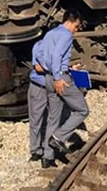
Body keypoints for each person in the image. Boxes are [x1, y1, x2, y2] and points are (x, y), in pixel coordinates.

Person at [39, 9, 89, 168]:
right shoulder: (66, 35)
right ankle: (58, 138)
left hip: (47, 77)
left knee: (53, 117)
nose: (76, 29)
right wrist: (59, 77)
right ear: (71, 20)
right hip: (60, 80)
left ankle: (47, 158)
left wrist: (67, 66)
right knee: (82, 110)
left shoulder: (50, 34)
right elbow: (56, 56)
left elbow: (47, 57)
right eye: (77, 26)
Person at [27, 40, 48, 162]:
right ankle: (36, 150)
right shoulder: (40, 46)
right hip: (39, 86)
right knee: (36, 120)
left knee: (52, 119)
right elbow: (38, 68)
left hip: (54, 87)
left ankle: (48, 149)